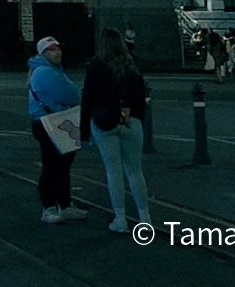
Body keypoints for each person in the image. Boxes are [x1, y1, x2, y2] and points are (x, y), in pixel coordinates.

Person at [80, 27, 152, 235]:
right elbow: (141, 98)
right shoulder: (131, 65)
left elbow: (87, 99)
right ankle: (145, 218)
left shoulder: (95, 66)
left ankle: (120, 219)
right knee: (135, 171)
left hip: (104, 121)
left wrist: (84, 130)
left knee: (113, 171)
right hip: (130, 121)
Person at [26, 36, 86, 224]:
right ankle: (50, 207)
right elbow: (71, 94)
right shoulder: (45, 72)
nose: (57, 51)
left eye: (58, 48)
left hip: (54, 121)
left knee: (60, 167)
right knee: (53, 166)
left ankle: (63, 205)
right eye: (52, 49)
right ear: (43, 53)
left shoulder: (47, 70)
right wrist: (74, 92)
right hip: (50, 122)